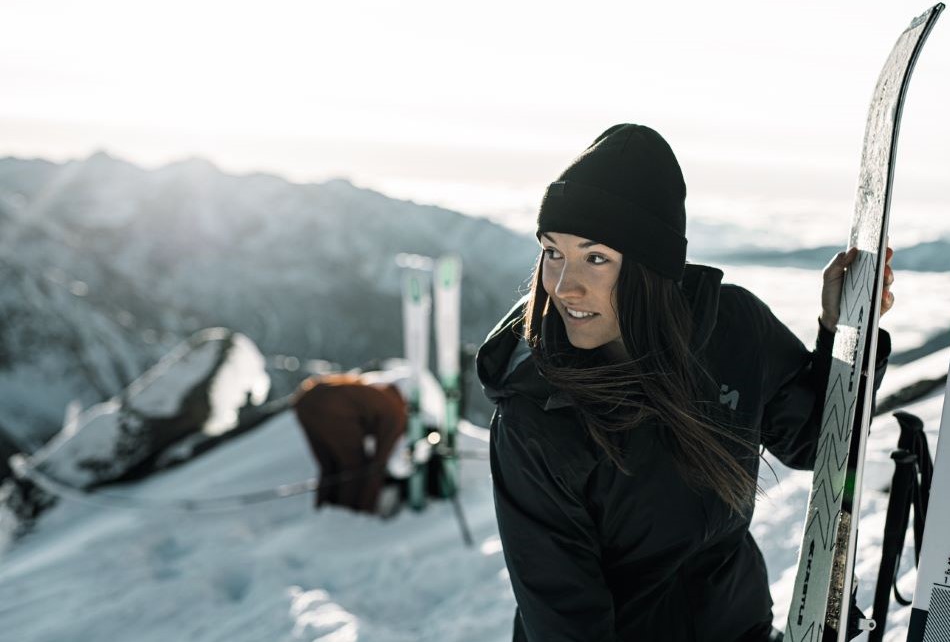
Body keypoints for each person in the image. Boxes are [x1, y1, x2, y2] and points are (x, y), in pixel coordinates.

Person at [476, 124, 895, 641]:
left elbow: (813, 440)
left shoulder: (733, 327)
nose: (564, 285)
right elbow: (566, 622)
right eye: (552, 252)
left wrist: (842, 331)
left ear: (652, 267)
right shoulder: (536, 413)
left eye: (596, 257)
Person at [292, 374, 408, 514]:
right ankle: (351, 514)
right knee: (355, 469)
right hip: (331, 406)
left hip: (306, 398)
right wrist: (367, 507)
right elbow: (379, 463)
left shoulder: (375, 392)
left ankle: (324, 511)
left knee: (329, 466)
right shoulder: (396, 413)